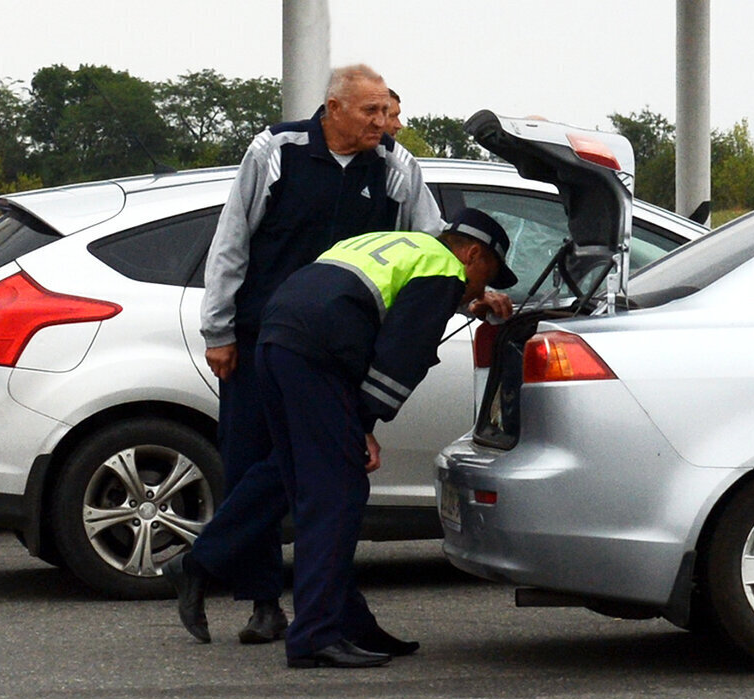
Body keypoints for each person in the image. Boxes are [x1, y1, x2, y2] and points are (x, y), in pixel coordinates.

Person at [173, 208, 517, 668]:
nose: (480, 288)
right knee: (337, 491)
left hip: (276, 341)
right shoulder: (445, 269)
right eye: (485, 277)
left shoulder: (393, 244)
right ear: (472, 253)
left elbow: (371, 295)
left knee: (288, 473)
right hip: (318, 354)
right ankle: (315, 635)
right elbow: (401, 357)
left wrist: (466, 304)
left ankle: (332, 614)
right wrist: (364, 424)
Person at [179, 63, 444, 645]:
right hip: (260, 339)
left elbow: (433, 244)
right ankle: (262, 601)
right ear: (333, 109)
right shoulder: (277, 150)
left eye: (387, 111)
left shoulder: (396, 167)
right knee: (254, 463)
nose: (384, 122)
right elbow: (232, 241)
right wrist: (219, 329)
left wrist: (481, 290)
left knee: (310, 471)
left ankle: (217, 564)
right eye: (371, 111)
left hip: (339, 347)